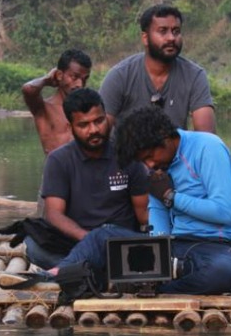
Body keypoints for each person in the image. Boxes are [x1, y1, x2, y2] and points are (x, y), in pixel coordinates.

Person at [47, 106, 231, 295]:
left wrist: (171, 197)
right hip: (177, 248)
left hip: (221, 246)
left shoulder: (208, 147)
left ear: (166, 137)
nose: (150, 164)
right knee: (102, 235)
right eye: (144, 161)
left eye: (151, 155)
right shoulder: (157, 167)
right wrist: (156, 256)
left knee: (222, 271)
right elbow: (159, 222)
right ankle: (57, 275)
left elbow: (225, 211)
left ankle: (152, 288)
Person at [22, 88, 150, 269]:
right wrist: (88, 238)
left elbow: (144, 215)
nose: (94, 130)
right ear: (70, 126)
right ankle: (84, 268)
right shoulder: (58, 160)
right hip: (77, 241)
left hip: (119, 242)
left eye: (99, 121)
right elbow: (54, 214)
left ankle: (76, 270)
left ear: (107, 117)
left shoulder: (129, 156)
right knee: (34, 248)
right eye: (84, 125)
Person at [99, 4, 216, 133]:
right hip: (126, 152)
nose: (171, 38)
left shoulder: (194, 76)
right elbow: (100, 133)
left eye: (176, 31)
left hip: (175, 152)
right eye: (162, 31)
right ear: (145, 38)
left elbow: (207, 137)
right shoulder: (120, 76)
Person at [22, 49, 93, 155]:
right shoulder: (44, 109)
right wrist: (47, 79)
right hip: (56, 170)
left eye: (84, 79)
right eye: (74, 77)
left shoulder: (89, 109)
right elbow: (28, 89)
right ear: (60, 75)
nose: (80, 84)